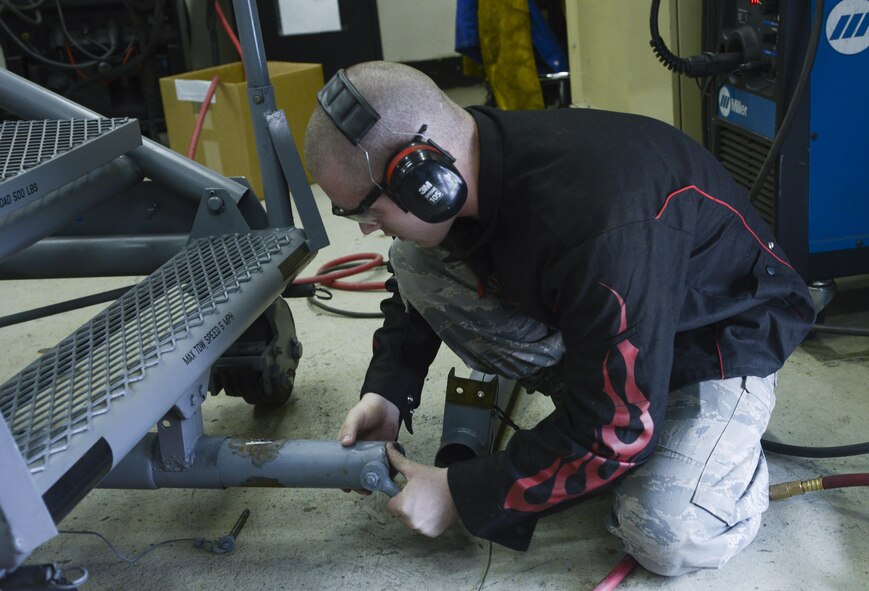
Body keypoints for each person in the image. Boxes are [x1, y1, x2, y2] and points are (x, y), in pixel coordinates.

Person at [302, 61, 815, 576]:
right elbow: (415, 286)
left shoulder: (601, 228)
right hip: (619, 312)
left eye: (368, 212)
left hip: (718, 338)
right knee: (415, 260)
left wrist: (461, 493)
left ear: (423, 179)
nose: (366, 231)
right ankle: (592, 416)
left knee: (665, 532)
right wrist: (388, 391)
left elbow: (619, 432)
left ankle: (724, 479)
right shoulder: (471, 155)